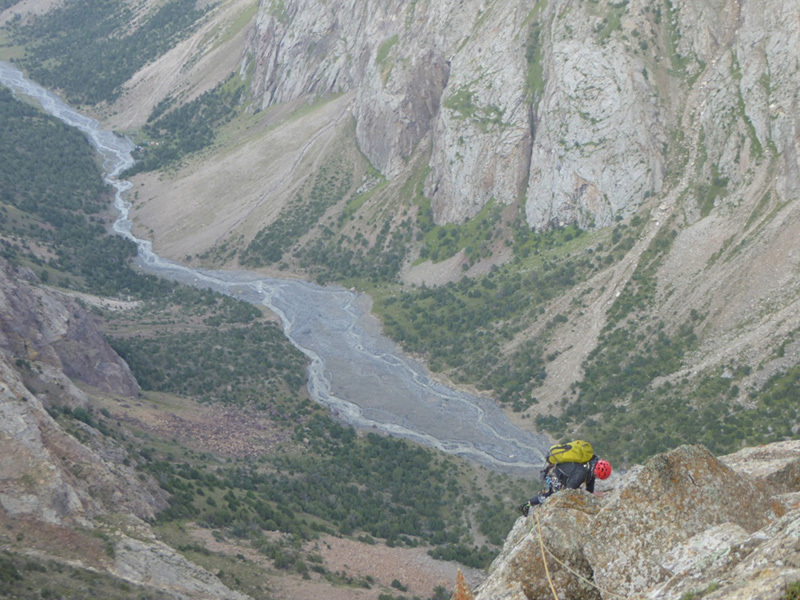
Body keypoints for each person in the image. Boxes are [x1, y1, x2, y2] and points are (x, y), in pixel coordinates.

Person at [518, 454, 612, 516]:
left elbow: (590, 480)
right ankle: (525, 506)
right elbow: (568, 491)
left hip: (559, 472)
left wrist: (591, 492)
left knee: (551, 492)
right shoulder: (580, 475)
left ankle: (533, 502)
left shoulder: (592, 461)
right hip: (554, 474)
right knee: (549, 495)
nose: (596, 477)